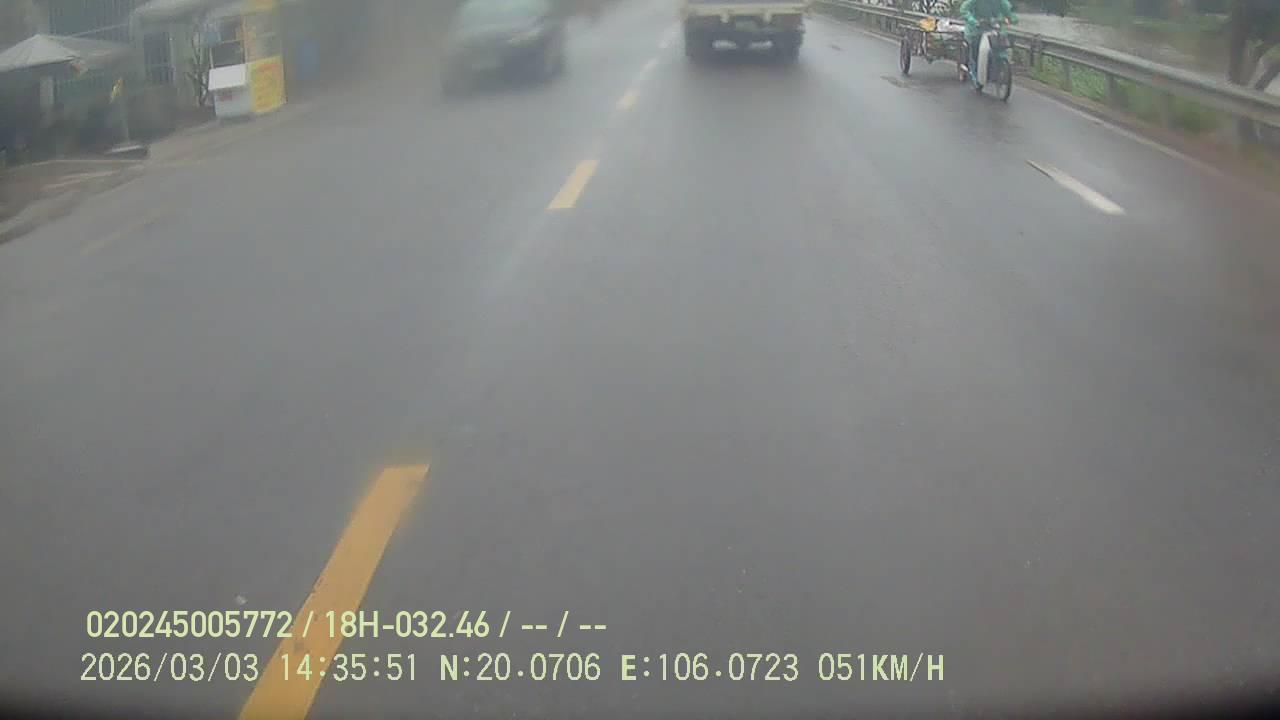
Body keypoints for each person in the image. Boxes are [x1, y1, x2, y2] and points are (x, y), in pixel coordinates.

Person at [960, 0, 1016, 85]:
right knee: (976, 51)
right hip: (976, 31)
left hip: (993, 30)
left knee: (1002, 47)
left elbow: (1010, 12)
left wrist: (1011, 19)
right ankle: (976, 75)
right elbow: (964, 9)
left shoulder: (1001, 2)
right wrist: (973, 21)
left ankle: (1001, 69)